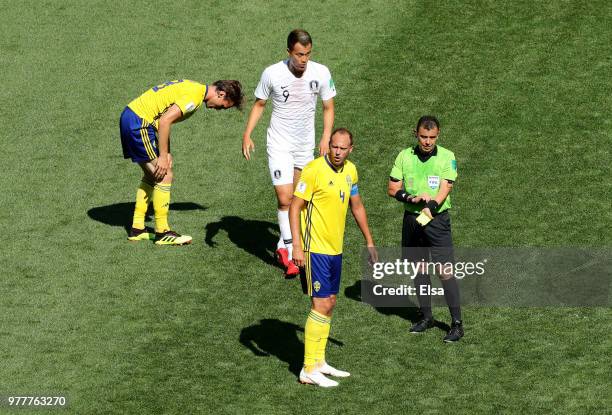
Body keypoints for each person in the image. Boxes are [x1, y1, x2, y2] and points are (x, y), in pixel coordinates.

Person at [242, 29, 336, 277]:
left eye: (307, 54)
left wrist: (326, 136)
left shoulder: (321, 72)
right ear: (289, 52)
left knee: (300, 199)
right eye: (299, 54)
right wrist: (247, 134)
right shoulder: (272, 73)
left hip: (305, 146)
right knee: (285, 198)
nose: (303, 60)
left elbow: (328, 107)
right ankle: (291, 251)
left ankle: (284, 244)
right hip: (279, 144)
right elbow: (260, 104)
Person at [290, 128, 377, 387]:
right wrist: (296, 245)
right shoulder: (313, 170)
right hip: (314, 247)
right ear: (328, 145)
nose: (337, 152)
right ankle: (307, 368)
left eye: (342, 148)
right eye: (334, 147)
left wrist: (369, 241)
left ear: (351, 149)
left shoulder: (351, 171)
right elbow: (295, 207)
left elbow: (357, 205)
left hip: (334, 249)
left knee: (330, 302)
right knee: (320, 304)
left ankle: (319, 362)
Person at [120, 79, 243, 245]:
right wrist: (163, 156)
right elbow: (164, 121)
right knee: (164, 176)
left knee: (152, 176)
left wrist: (167, 152)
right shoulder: (194, 97)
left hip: (132, 117)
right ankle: (162, 232)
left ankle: (137, 228)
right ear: (221, 94)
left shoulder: (194, 87)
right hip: (139, 123)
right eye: (222, 106)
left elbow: (162, 121)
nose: (218, 110)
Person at [387, 115, 464, 342]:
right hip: (413, 220)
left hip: (437, 221)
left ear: (437, 136)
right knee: (419, 269)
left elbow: (445, 188)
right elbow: (392, 189)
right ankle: (426, 316)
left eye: (431, 137)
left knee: (444, 271)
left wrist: (429, 207)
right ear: (416, 134)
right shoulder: (404, 156)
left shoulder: (447, 157)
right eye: (423, 137)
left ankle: (457, 324)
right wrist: (412, 199)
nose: (427, 142)